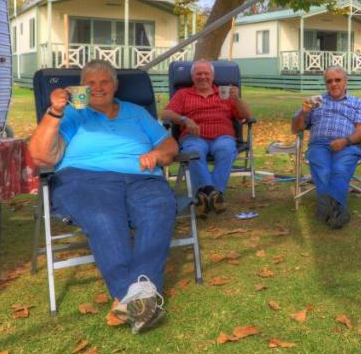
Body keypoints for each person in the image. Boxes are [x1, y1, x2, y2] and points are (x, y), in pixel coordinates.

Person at [28, 59, 178, 334]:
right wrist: (54, 111)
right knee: (104, 216)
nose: (98, 88)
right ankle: (135, 295)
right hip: (85, 178)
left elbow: (169, 145)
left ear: (115, 85)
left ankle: (132, 298)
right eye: (91, 83)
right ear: (81, 87)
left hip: (142, 176)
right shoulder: (71, 114)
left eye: (104, 81)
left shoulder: (137, 113)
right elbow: (40, 155)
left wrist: (156, 155)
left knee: (159, 207)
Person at [161, 59, 252, 215]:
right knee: (193, 152)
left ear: (213, 76)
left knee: (226, 149)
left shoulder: (226, 94)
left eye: (206, 73)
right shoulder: (183, 94)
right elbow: (165, 113)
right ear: (192, 77)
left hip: (222, 136)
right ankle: (215, 195)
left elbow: (247, 115)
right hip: (194, 137)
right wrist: (185, 120)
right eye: (198, 74)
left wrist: (236, 99)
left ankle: (205, 195)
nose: (203, 77)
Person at [290, 65, 361, 229]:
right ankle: (338, 210)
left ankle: (326, 209)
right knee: (324, 170)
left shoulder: (357, 103)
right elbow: (295, 129)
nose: (333, 84)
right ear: (326, 84)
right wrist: (303, 113)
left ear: (345, 81)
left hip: (348, 144)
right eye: (329, 81)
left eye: (337, 80)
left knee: (340, 169)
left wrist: (345, 141)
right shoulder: (316, 102)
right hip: (319, 145)